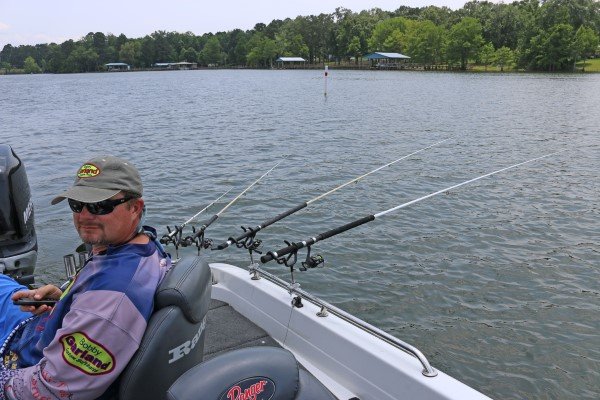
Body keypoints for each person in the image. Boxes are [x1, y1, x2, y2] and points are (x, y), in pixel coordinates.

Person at [0, 156, 171, 399]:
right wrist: (64, 300)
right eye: (76, 204)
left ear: (135, 207)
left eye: (100, 206)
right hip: (43, 326)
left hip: (24, 358)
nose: (85, 216)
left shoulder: (109, 305)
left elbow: (49, 390)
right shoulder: (139, 246)